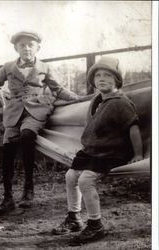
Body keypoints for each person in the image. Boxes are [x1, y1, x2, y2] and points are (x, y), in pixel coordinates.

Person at [52, 56, 143, 245]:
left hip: (112, 153)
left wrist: (138, 155)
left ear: (117, 80)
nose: (102, 79)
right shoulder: (98, 101)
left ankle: (95, 225)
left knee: (86, 179)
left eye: (108, 75)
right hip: (93, 152)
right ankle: (74, 218)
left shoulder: (120, 102)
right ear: (93, 81)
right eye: (98, 75)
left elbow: (133, 128)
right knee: (70, 176)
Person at [0, 31, 79, 215]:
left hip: (36, 111)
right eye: (22, 45)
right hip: (13, 113)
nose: (27, 48)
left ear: (38, 47)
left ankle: (28, 190)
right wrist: (0, 106)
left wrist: (76, 97)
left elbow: (58, 89)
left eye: (31, 45)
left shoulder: (44, 67)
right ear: (16, 48)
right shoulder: (7, 67)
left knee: (27, 135)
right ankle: (7, 197)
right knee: (7, 147)